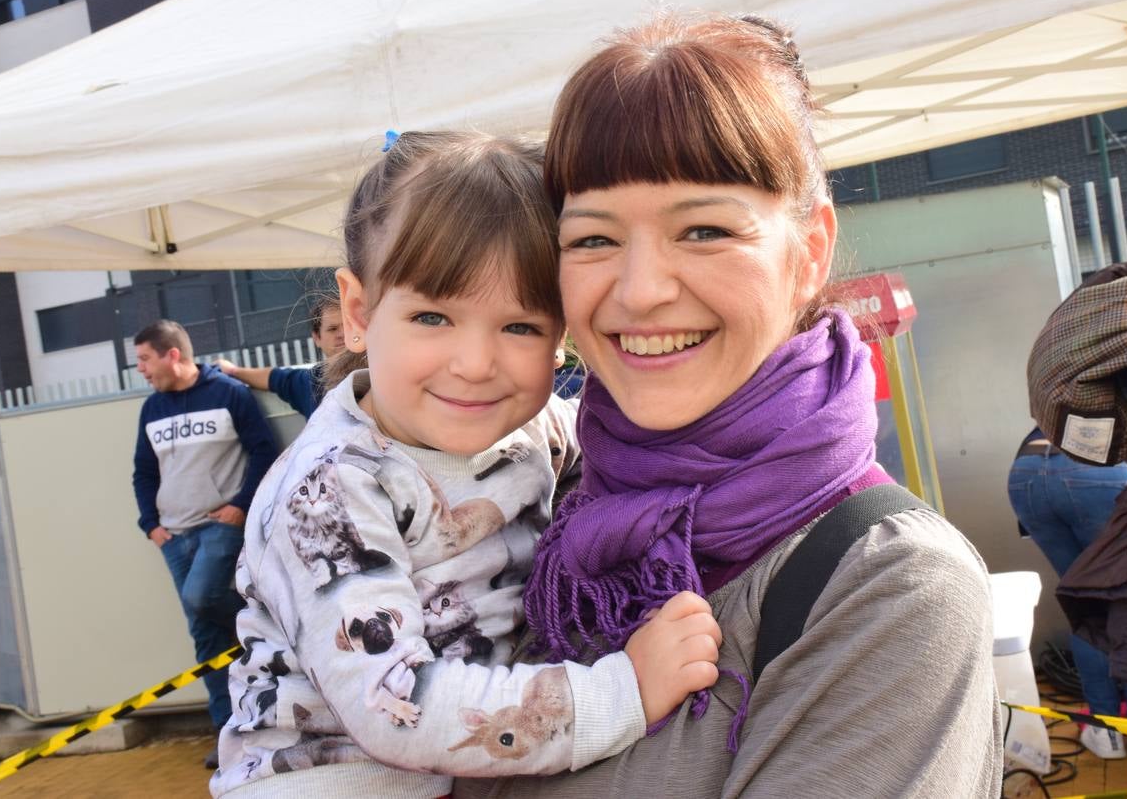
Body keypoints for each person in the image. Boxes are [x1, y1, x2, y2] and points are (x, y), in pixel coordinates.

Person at [455, 12, 1001, 799]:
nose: (640, 292)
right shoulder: (548, 520)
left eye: (704, 230)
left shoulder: (889, 586)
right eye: (593, 240)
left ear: (809, 250)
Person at [210, 131, 722, 798]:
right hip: (330, 782)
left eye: (520, 327)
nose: (475, 364)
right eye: (432, 317)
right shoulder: (330, 487)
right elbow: (395, 705)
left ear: (562, 336)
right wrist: (620, 692)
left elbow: (629, 458)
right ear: (359, 313)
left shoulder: (539, 428)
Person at [131, 320, 280, 767]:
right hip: (173, 536)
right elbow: (143, 471)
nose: (141, 370)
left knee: (201, 599)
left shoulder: (228, 393)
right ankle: (229, 733)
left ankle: (271, 634)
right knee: (205, 637)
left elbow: (263, 450)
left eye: (144, 359)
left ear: (172, 355)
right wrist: (151, 526)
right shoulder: (151, 409)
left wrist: (239, 506)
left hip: (221, 526)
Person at [1008, 426, 1127, 759]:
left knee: (1086, 602)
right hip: (1100, 472)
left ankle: (1104, 730)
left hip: (1028, 470)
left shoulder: (1069, 377)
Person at [218, 297, 345, 418]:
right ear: (317, 338)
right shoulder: (310, 381)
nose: (342, 334)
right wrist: (232, 370)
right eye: (333, 329)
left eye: (348, 325)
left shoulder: (364, 372)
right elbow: (272, 377)